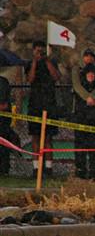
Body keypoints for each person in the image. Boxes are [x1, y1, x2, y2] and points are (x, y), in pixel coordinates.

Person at [26, 41, 60, 177]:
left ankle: (49, 168)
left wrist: (47, 61)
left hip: (50, 103)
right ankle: (36, 168)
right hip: (35, 104)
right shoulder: (29, 64)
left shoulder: (52, 63)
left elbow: (56, 77)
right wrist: (35, 61)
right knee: (35, 137)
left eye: (42, 51)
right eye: (37, 50)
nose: (40, 53)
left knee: (48, 138)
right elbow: (29, 79)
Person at [71, 64, 95, 180]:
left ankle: (94, 173)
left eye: (93, 74)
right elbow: (78, 103)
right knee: (80, 148)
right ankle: (80, 171)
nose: (91, 75)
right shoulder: (79, 89)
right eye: (88, 73)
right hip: (81, 121)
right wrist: (92, 101)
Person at [0, 74, 15, 176]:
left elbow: (4, 105)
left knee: (3, 145)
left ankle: (4, 169)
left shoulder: (3, 82)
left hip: (2, 121)